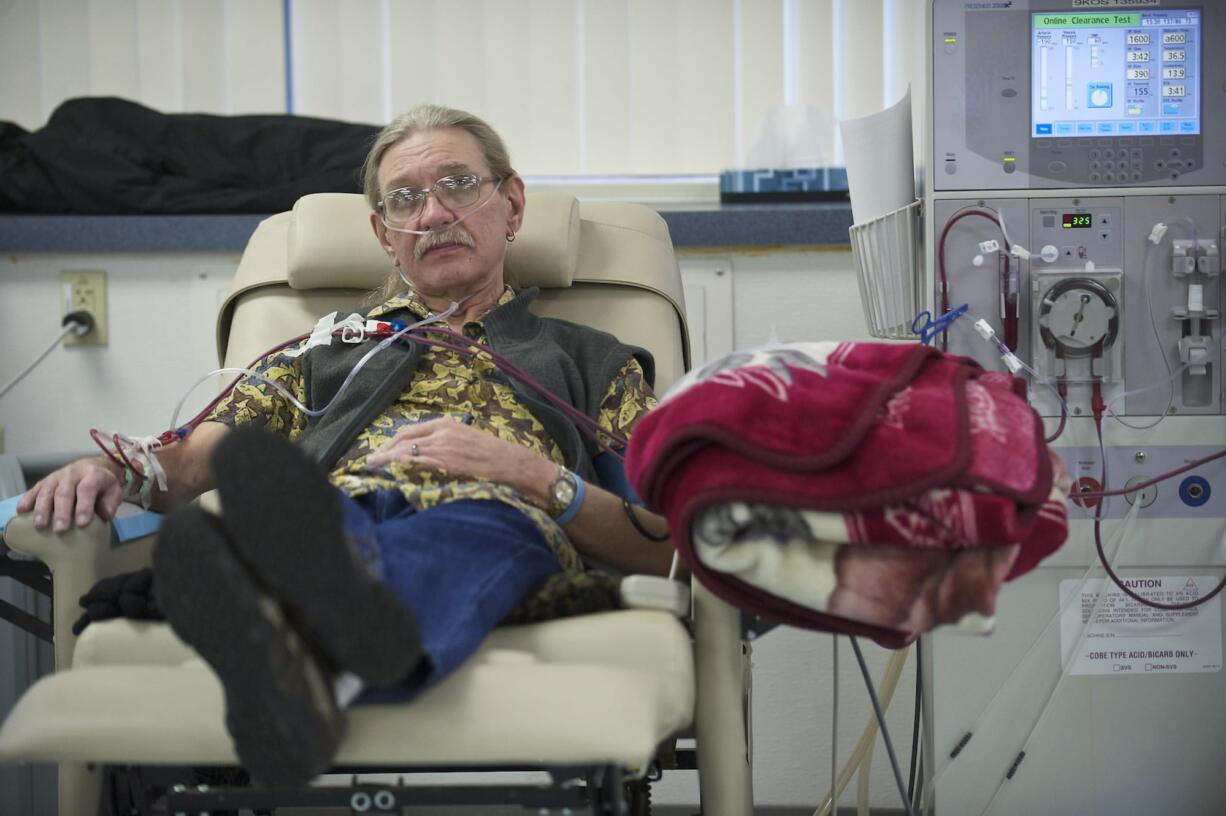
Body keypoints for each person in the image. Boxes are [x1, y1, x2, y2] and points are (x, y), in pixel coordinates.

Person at [15, 104, 674, 788]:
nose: (433, 214)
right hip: (333, 517)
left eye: (458, 185)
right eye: (405, 200)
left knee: (476, 525)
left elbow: (662, 542)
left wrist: (529, 474)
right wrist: (104, 470)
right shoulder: (320, 352)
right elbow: (185, 460)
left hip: (496, 515)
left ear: (511, 204)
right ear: (385, 237)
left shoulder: (593, 361)